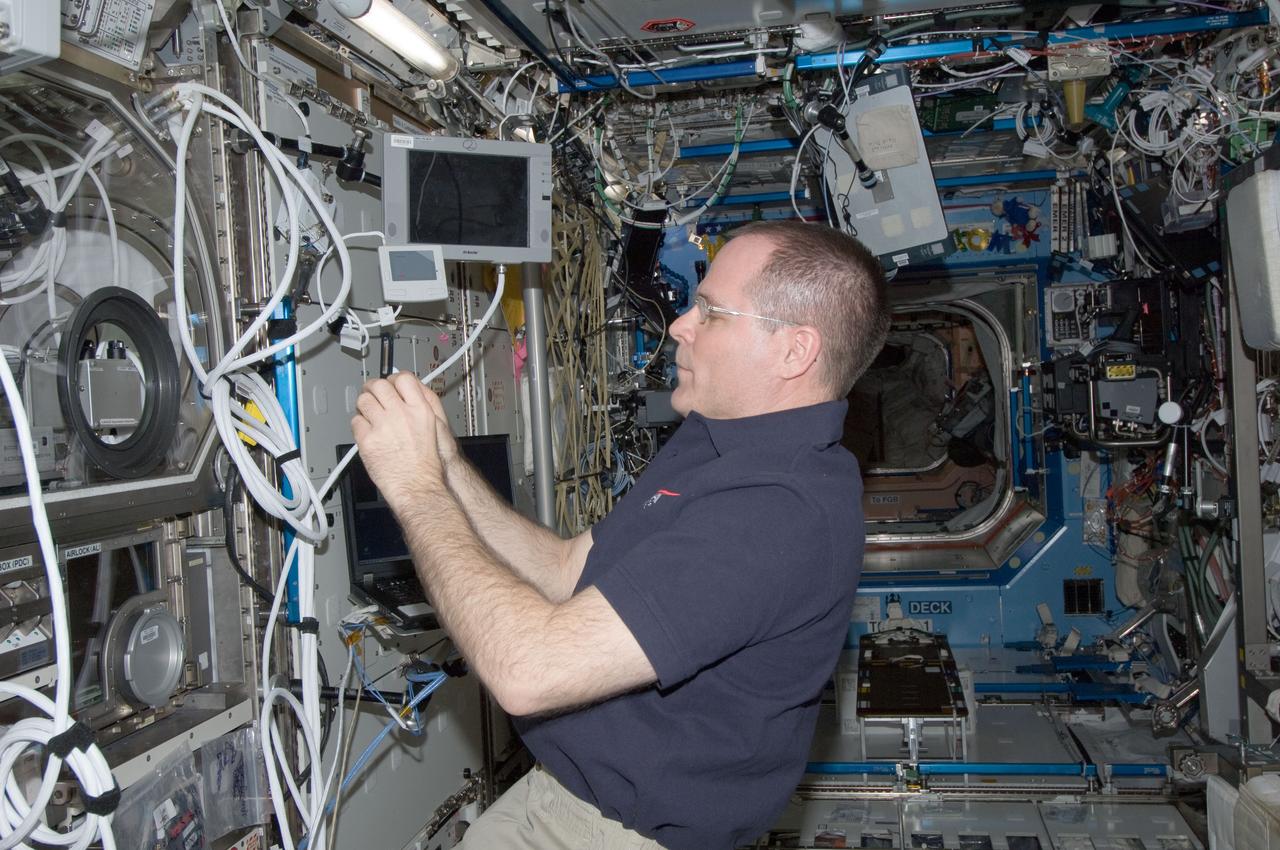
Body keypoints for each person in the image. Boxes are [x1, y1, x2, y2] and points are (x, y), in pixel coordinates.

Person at [351, 219, 891, 850]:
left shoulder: (778, 515)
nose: (680, 325)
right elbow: (565, 570)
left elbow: (527, 671)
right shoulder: (717, 438)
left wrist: (416, 491)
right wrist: (446, 468)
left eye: (711, 312)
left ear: (793, 351)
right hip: (558, 794)